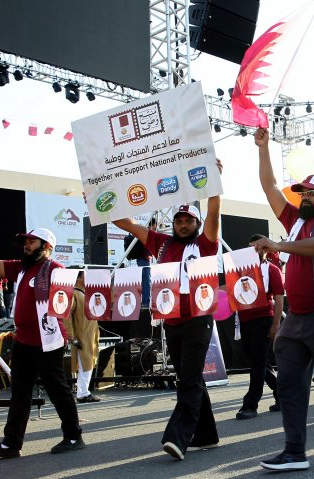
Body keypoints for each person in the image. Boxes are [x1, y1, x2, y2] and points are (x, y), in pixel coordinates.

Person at [253, 128, 314, 471]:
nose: (304, 196)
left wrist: (278, 246)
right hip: (296, 319)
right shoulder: (294, 220)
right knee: (290, 388)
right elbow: (269, 187)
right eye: (302, 192)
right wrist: (264, 149)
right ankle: (294, 452)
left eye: (311, 193)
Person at [0, 226, 84, 458]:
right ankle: (11, 443)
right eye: (25, 241)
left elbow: (65, 304)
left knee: (57, 390)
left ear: (47, 247)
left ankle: (73, 436)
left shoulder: (55, 269)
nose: (26, 245)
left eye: (32, 241)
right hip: (23, 340)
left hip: (47, 341)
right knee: (20, 392)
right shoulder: (20, 268)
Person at [114, 186, 222, 460]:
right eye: (179, 221)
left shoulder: (206, 243)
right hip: (171, 321)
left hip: (199, 319)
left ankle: (178, 437)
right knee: (191, 377)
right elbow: (123, 222)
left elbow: (214, 213)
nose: (183, 225)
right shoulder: (161, 242)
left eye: (189, 221)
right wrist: (99, 204)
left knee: (187, 379)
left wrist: (213, 187)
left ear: (197, 224)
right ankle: (207, 435)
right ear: (173, 224)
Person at [235, 234, 285, 420]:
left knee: (257, 362)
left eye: (259, 247)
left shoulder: (272, 270)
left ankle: (250, 404)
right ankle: (281, 392)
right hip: (245, 320)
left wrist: (276, 323)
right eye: (251, 247)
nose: (255, 251)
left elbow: (279, 298)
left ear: (266, 249)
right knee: (258, 360)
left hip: (263, 318)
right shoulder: (240, 270)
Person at [62, 272, 100, 403]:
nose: (88, 279)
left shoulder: (83, 294)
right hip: (82, 335)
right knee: (85, 364)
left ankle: (84, 392)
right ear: (78, 278)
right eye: (85, 276)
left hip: (89, 334)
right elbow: (65, 315)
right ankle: (83, 393)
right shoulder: (74, 294)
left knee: (88, 364)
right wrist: (71, 337)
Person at [124, 217, 156, 308]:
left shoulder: (144, 232)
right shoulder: (146, 233)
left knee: (145, 280)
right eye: (155, 226)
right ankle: (146, 302)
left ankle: (145, 301)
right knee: (146, 281)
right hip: (144, 258)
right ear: (152, 225)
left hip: (143, 258)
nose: (155, 228)